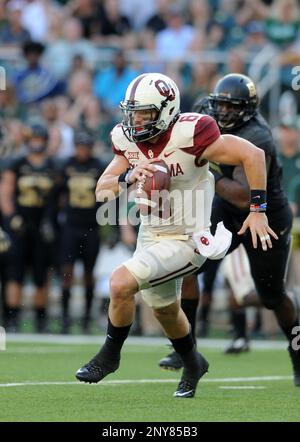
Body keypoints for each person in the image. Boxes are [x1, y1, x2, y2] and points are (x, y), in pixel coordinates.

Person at [75, 72, 275, 398]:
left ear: (166, 110)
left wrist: (257, 210)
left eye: (145, 113)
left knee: (120, 283)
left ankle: (109, 356)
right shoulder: (128, 140)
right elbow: (101, 191)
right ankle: (193, 362)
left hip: (188, 238)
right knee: (165, 310)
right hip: (151, 235)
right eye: (133, 112)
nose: (136, 120)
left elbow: (253, 155)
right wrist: (128, 175)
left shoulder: (192, 132)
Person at [158, 74, 300, 388]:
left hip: (263, 215)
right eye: (218, 104)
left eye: (230, 106)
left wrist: (204, 167)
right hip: (226, 212)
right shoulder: (204, 112)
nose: (221, 111)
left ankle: (297, 353)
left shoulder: (256, 135)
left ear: (247, 110)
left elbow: (242, 194)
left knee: (272, 296)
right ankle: (185, 350)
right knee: (189, 265)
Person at [0, 124, 58, 332]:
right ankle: (13, 319)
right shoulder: (16, 164)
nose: (36, 143)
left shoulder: (52, 166)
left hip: (42, 225)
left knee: (41, 274)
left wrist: (51, 220)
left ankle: (40, 319)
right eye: (33, 139)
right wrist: (12, 217)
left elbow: (59, 197)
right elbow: (5, 193)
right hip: (20, 225)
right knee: (15, 273)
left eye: (39, 139)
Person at [58, 130, 106, 334]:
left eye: (86, 147)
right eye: (79, 146)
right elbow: (57, 194)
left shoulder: (98, 166)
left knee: (89, 274)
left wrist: (109, 226)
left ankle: (86, 319)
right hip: (70, 226)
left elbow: (110, 196)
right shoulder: (66, 166)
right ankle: (65, 319)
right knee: (67, 272)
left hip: (91, 227)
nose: (82, 151)